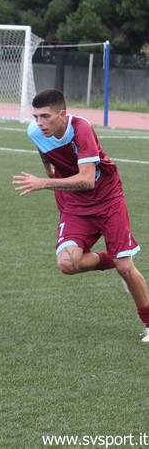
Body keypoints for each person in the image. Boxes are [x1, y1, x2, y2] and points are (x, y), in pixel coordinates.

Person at [13, 88, 149, 343]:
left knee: (126, 268)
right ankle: (111, 259)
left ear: (62, 114)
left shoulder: (82, 129)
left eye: (45, 116)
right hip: (75, 205)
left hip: (108, 201)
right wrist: (49, 171)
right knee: (67, 263)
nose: (39, 123)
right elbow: (44, 150)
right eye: (36, 117)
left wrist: (44, 182)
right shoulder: (34, 132)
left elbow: (87, 180)